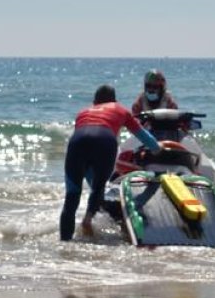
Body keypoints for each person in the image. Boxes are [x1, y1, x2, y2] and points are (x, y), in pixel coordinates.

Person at [61, 85, 161, 240]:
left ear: (95, 101)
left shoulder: (83, 112)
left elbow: (86, 154)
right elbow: (142, 135)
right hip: (105, 140)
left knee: (72, 195)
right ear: (114, 100)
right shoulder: (121, 110)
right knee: (99, 187)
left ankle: (64, 243)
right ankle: (87, 219)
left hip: (77, 142)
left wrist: (90, 178)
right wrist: (157, 149)